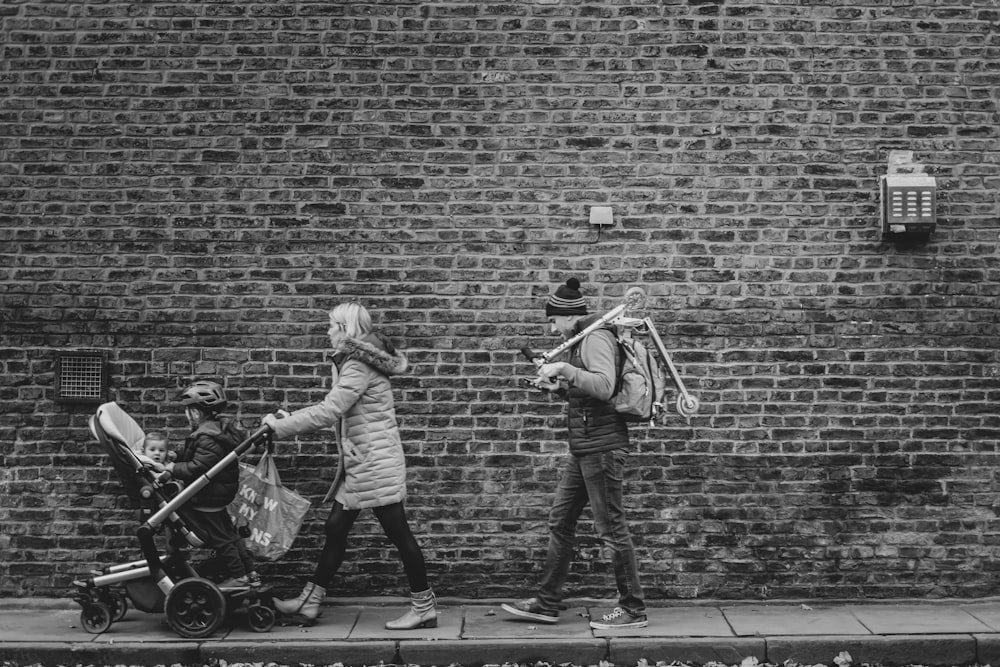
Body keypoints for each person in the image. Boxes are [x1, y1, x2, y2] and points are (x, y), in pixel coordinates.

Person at [262, 302, 436, 630]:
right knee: (336, 529)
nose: (327, 331)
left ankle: (423, 606)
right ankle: (310, 601)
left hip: (374, 463)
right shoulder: (356, 360)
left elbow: (330, 410)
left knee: (399, 534)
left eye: (331, 325)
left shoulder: (357, 364)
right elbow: (337, 408)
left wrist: (279, 426)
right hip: (363, 462)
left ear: (344, 328)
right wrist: (292, 418)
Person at [501, 278, 648, 630]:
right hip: (584, 447)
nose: (552, 327)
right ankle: (547, 602)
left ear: (568, 316)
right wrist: (559, 389)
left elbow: (603, 385)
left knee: (611, 529)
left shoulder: (595, 337)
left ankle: (632, 609)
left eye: (554, 320)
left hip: (603, 448)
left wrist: (564, 369)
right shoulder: (580, 339)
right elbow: (586, 396)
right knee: (560, 521)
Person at [143, 380, 257, 589]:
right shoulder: (216, 430)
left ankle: (239, 577)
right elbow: (202, 458)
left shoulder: (205, 436)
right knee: (230, 535)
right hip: (219, 493)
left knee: (221, 539)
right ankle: (250, 572)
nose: (188, 415)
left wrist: (172, 469)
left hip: (208, 495)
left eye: (188, 411)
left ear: (195, 413)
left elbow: (198, 466)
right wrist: (177, 456)